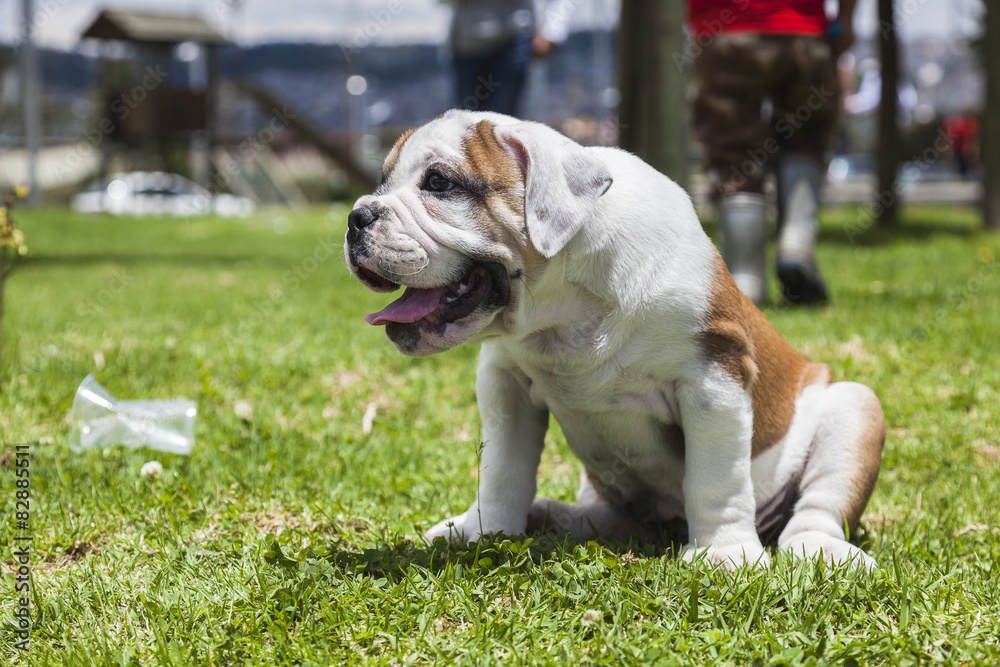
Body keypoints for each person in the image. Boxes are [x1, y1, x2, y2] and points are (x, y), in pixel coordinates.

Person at [686, 0, 858, 305]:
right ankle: (797, 243)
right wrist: (846, 17)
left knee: (732, 153)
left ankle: (746, 278)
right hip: (804, 29)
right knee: (805, 137)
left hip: (725, 31)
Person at [447, 0, 577, 116]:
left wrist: (552, 31)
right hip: (465, 46)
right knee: (466, 122)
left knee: (502, 120)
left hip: (513, 40)